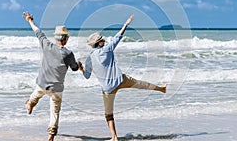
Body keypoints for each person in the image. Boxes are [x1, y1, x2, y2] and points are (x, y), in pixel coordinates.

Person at [79, 15, 167, 141]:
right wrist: (126, 24)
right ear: (98, 43)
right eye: (102, 40)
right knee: (141, 84)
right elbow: (118, 37)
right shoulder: (107, 49)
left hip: (108, 89)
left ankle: (114, 137)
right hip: (120, 80)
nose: (104, 41)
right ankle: (161, 89)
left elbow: (86, 76)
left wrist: (82, 68)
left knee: (108, 114)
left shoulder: (89, 59)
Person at [22, 11, 80, 141]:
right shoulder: (68, 54)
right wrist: (78, 64)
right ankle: (51, 134)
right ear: (65, 39)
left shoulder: (47, 45)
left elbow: (38, 32)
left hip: (42, 83)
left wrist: (29, 20)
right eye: (67, 37)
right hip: (57, 89)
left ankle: (30, 105)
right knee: (55, 111)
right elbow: (75, 68)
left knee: (35, 94)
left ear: (56, 38)